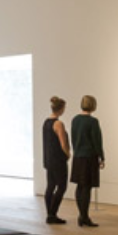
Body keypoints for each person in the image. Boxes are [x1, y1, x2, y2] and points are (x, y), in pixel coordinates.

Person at [70, 95, 104, 227]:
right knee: (87, 187)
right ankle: (84, 217)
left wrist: (76, 151)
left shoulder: (75, 120)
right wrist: (101, 157)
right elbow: (97, 141)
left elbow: (73, 138)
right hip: (89, 157)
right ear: (93, 105)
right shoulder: (92, 122)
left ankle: (82, 215)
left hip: (78, 157)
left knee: (80, 186)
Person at [41, 96, 71, 224]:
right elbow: (63, 144)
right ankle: (52, 214)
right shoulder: (58, 124)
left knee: (50, 186)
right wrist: (68, 154)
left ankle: (50, 214)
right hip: (58, 160)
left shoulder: (46, 122)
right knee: (62, 187)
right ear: (61, 109)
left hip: (49, 159)